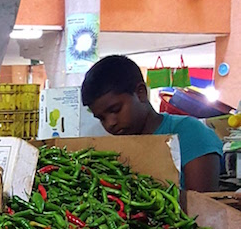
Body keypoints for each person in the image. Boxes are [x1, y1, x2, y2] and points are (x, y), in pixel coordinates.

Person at [81, 55, 223, 193]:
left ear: (140, 92)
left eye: (115, 110)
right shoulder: (115, 148)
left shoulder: (189, 133)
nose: (110, 123)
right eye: (101, 118)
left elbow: (201, 207)